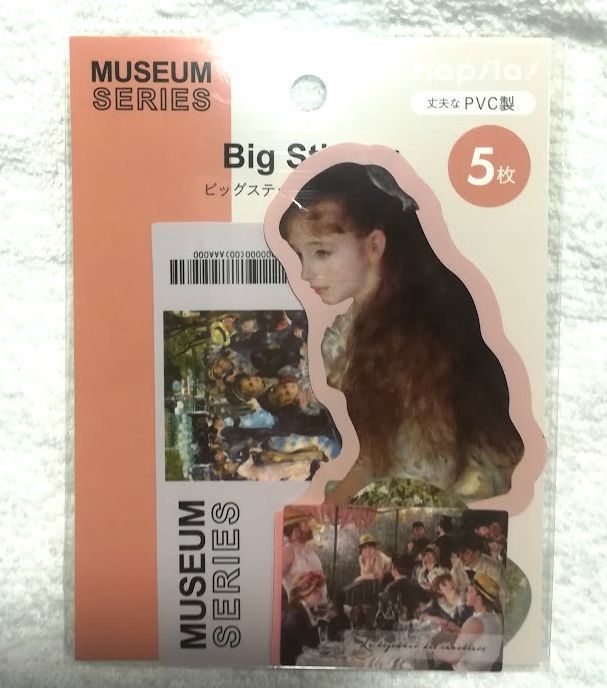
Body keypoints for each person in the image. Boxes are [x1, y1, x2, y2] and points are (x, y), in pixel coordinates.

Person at [277, 162, 524, 502]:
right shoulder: (353, 326)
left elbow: (427, 466)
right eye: (300, 255)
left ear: (374, 246)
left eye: (321, 252)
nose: (306, 272)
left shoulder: (418, 340)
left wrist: (344, 497)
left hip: (450, 491)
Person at [432, 572, 503, 671]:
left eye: (469, 591)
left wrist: (433, 651)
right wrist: (459, 630)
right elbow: (478, 636)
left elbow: (453, 658)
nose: (465, 594)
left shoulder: (476, 622)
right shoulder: (494, 616)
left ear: (478, 598)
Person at [280, 571, 326, 665]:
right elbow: (304, 648)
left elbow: (314, 644)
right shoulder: (295, 615)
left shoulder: (305, 610)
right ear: (307, 592)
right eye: (317, 590)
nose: (321, 594)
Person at [451, 532, 506, 608]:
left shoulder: (495, 569)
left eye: (466, 554)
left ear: (477, 553)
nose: (461, 558)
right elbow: (453, 592)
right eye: (459, 554)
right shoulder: (457, 567)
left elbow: (503, 599)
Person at [282, 508, 324, 597]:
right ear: (295, 531)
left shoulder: (308, 549)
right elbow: (276, 582)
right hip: (298, 604)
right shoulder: (288, 551)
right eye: (304, 524)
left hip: (319, 603)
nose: (309, 526)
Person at [382, 552, 428, 620]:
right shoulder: (416, 585)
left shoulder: (391, 587)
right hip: (415, 622)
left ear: (394, 569)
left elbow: (384, 609)